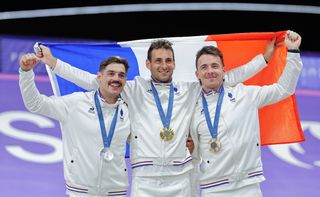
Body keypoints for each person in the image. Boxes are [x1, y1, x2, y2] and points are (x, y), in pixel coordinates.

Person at [35, 39, 271, 197]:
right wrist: (54, 63)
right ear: (148, 64)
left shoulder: (189, 90)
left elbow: (226, 78)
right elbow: (94, 81)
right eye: (158, 60)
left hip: (182, 179)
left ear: (174, 64)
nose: (164, 65)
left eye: (168, 60)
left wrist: (264, 58)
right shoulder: (133, 89)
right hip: (145, 180)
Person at [190, 30, 302, 197]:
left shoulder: (245, 95)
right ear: (197, 74)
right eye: (204, 67)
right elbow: (193, 158)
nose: (210, 71)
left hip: (249, 187)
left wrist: (292, 52)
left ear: (224, 70)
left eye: (215, 66)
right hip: (212, 189)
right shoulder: (190, 108)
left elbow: (283, 89)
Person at [19, 54, 131, 197]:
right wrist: (26, 72)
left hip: (116, 191)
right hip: (80, 190)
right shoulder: (76, 103)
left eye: (121, 75)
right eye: (111, 73)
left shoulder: (129, 111)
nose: (116, 78)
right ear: (99, 77)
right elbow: (36, 104)